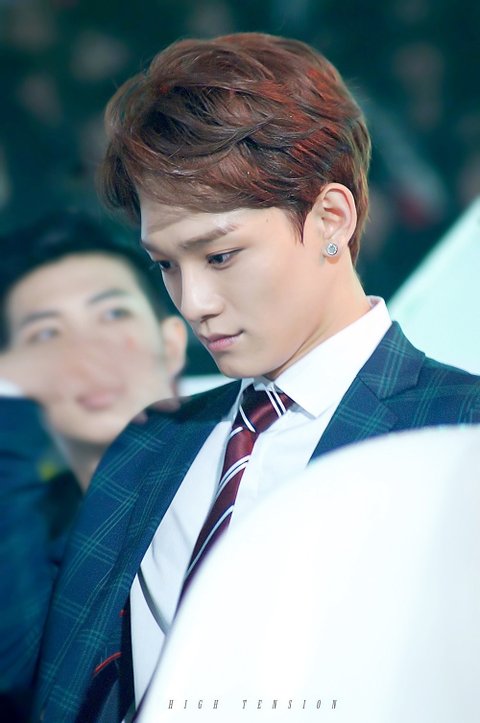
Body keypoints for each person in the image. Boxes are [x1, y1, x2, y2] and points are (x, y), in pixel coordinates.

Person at [31, 33, 480, 722]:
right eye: (166, 265)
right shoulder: (149, 445)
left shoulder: (457, 435)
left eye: (219, 256)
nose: (192, 301)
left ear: (331, 219)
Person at [0, 211, 187, 719]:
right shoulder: (24, 535)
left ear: (172, 342)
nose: (87, 354)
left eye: (113, 315)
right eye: (46, 335)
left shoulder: (249, 469)